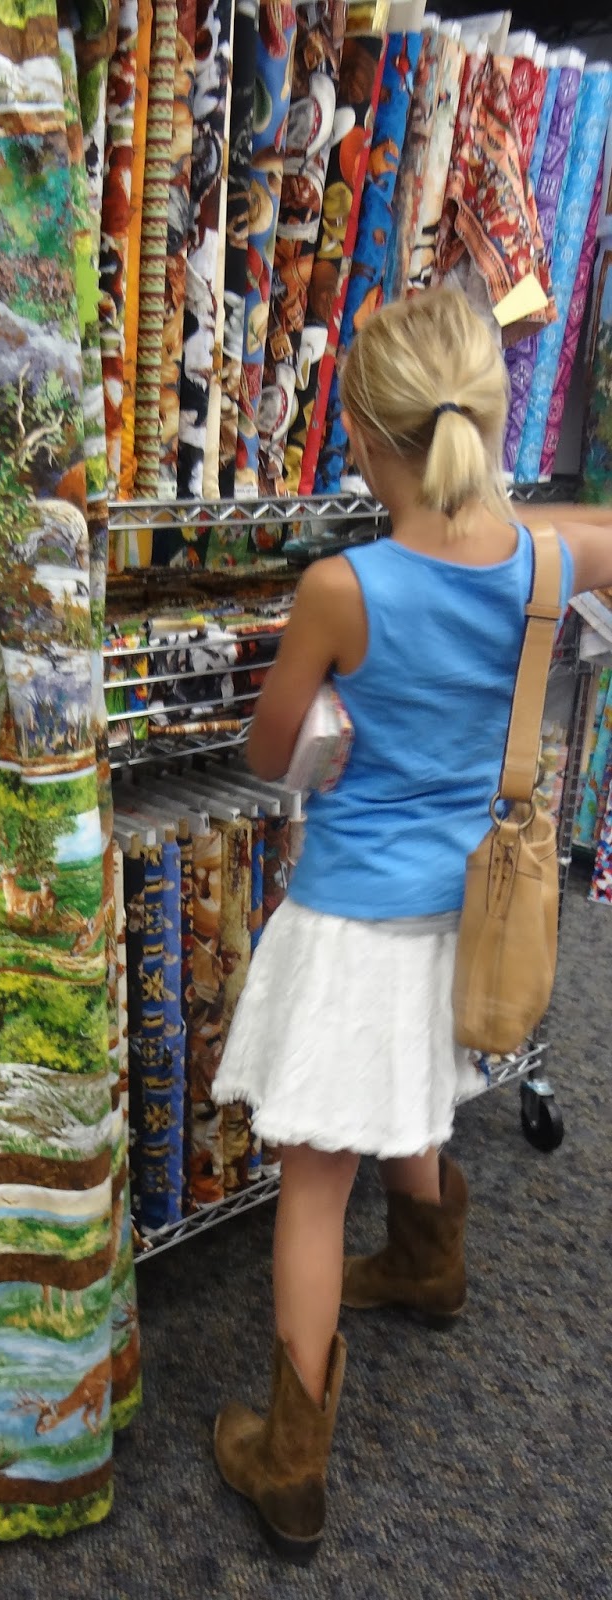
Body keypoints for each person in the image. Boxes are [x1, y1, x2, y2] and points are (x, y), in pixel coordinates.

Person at [209, 288, 612, 1562]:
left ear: (370, 447)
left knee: (314, 1180)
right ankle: (430, 1264)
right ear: (490, 421)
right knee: (421, 1087)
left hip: (356, 923)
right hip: (477, 913)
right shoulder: (551, 558)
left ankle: (291, 1461)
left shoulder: (343, 585)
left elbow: (273, 748)